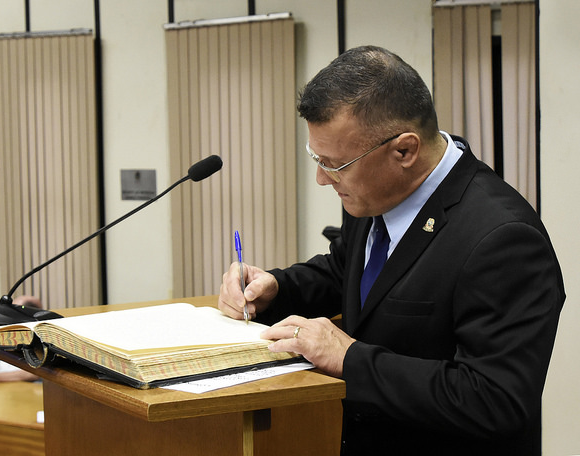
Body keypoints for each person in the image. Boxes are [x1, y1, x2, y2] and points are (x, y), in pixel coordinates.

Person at [218, 45, 565, 455]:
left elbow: (495, 400)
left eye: (335, 164)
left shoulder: (503, 238)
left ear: (404, 150)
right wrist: (278, 286)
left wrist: (350, 359)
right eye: (318, 158)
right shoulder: (373, 194)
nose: (321, 179)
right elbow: (350, 271)